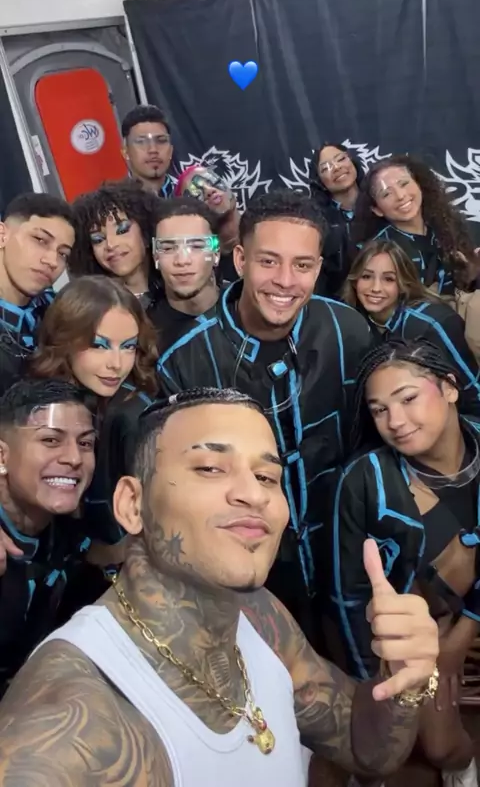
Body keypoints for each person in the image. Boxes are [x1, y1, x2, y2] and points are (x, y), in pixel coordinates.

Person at [0, 388, 439, 786]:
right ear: (133, 505)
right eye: (210, 468)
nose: (254, 494)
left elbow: (365, 749)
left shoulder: (260, 615)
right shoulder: (63, 726)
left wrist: (402, 678)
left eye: (267, 477)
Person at [157, 190, 373, 644]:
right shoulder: (184, 361)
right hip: (246, 577)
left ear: (318, 267)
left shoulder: (348, 330)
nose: (285, 281)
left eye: (302, 265)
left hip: (347, 557)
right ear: (240, 259)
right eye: (269, 261)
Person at [330, 340, 480, 787]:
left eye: (408, 398)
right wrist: (376, 683)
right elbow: (348, 595)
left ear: (449, 388)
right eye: (379, 410)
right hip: (413, 638)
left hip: (465, 623)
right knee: (439, 747)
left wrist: (461, 638)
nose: (395, 421)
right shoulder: (362, 480)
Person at [30, 276, 158, 520]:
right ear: (64, 340)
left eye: (128, 346)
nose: (117, 364)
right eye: (99, 346)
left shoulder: (133, 417)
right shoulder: (36, 403)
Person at [0, 378, 96, 698]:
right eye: (51, 440)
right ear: (2, 456)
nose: (74, 458)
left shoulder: (72, 538)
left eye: (85, 443)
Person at [342, 239, 480, 415]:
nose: (375, 288)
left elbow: (473, 390)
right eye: (366, 277)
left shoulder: (432, 322)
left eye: (388, 279)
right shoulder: (351, 322)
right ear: (354, 280)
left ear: (402, 284)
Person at [353, 155, 479, 296]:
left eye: (404, 184)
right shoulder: (380, 251)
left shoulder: (444, 225)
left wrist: (472, 270)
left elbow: (465, 282)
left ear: (419, 184)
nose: (400, 196)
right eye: (387, 194)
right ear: (377, 209)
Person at [0, 192, 75, 396]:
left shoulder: (60, 312)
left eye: (63, 254)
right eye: (40, 240)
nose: (52, 261)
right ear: (2, 235)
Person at [69, 179, 164, 320]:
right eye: (98, 239)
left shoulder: (176, 288)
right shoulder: (90, 310)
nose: (111, 244)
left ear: (146, 230)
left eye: (122, 230)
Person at [151, 197, 221, 348]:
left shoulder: (243, 310)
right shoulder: (145, 332)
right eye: (168, 248)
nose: (182, 261)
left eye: (196, 246)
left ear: (216, 253)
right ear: (156, 257)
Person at [309, 143, 364, 297]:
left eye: (341, 159)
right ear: (320, 181)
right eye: (325, 168)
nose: (337, 168)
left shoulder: (380, 204)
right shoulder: (316, 221)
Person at [175, 165, 241, 282]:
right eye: (196, 193)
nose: (209, 191)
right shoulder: (205, 269)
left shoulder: (266, 229)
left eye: (212, 181)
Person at [121, 105, 175, 198]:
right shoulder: (113, 203)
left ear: (171, 150)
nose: (153, 149)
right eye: (141, 142)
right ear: (126, 152)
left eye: (161, 141)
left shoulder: (190, 196)